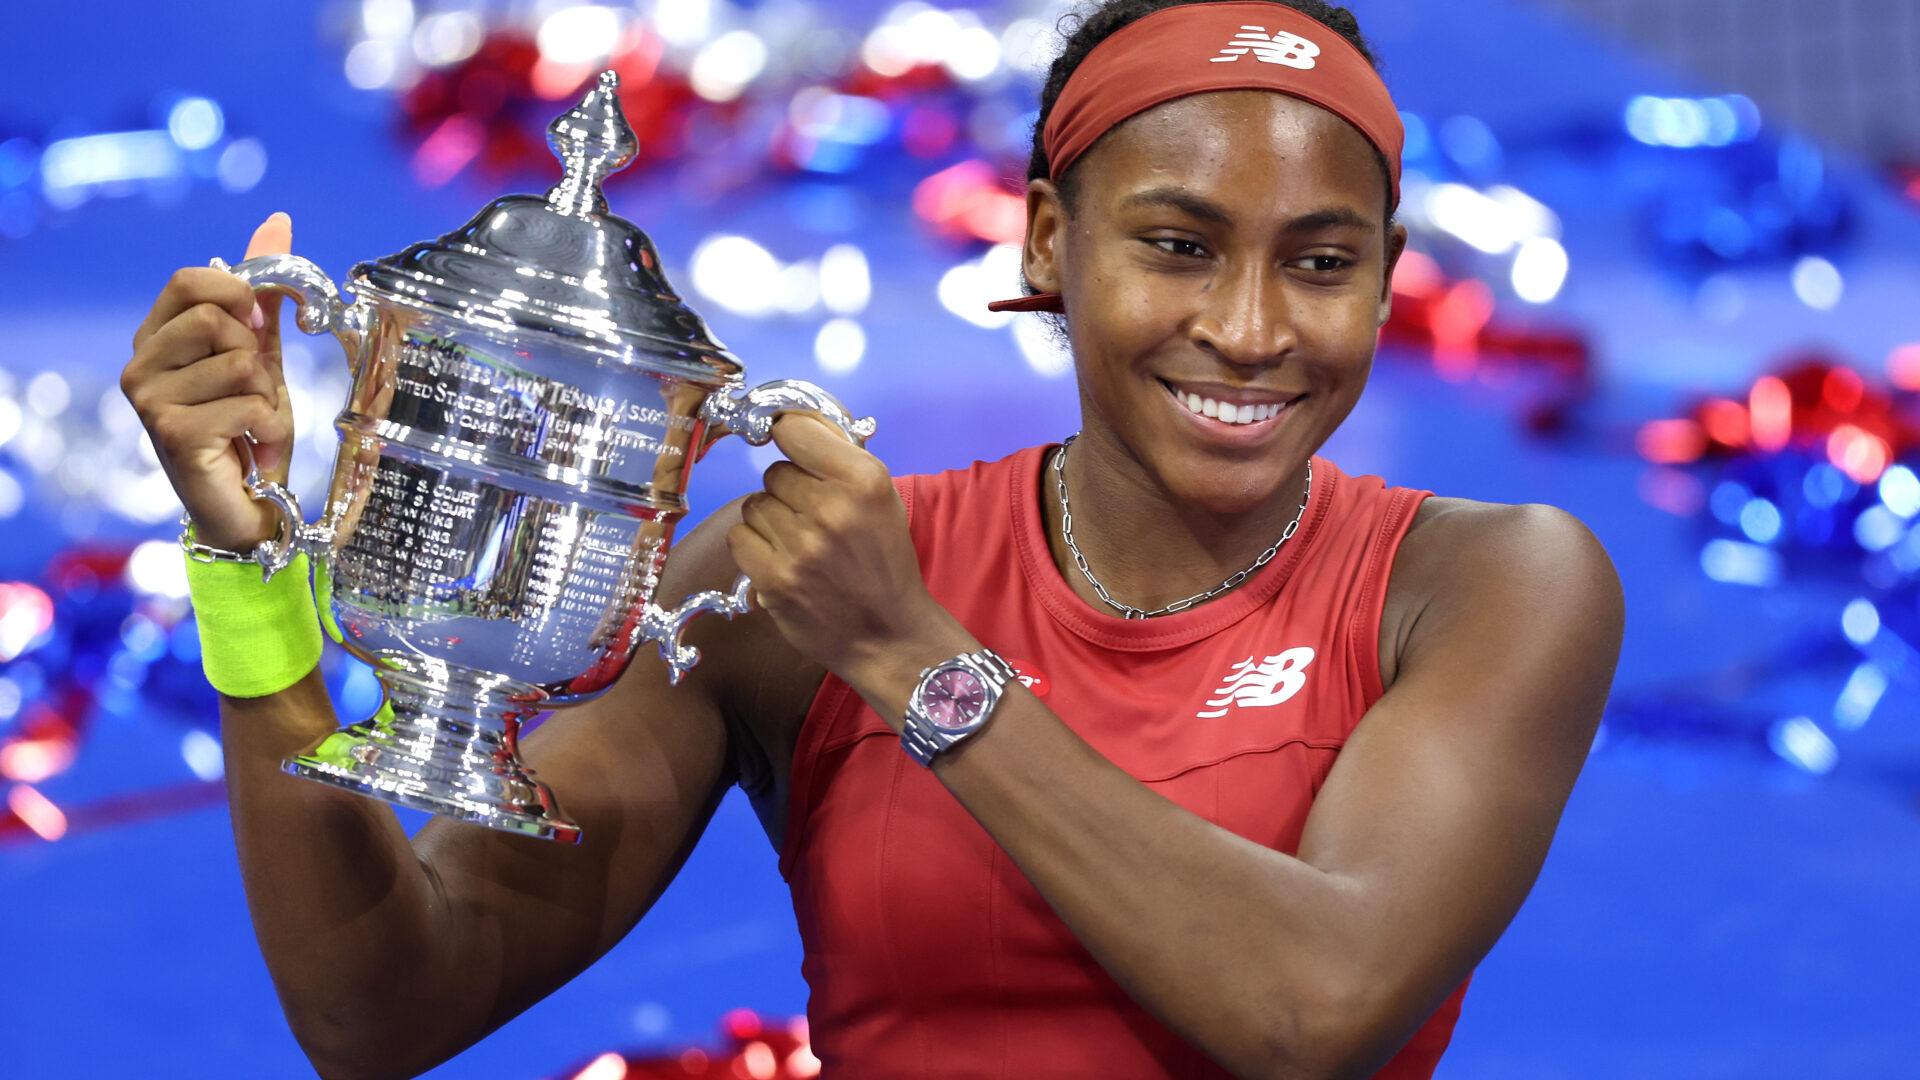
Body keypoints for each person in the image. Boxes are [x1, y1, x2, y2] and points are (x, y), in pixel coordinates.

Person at [121, 1, 1623, 1077]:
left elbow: (1316, 1014)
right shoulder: (790, 596)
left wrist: (916, 659)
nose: (1247, 329)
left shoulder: (1493, 584)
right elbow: (381, 1011)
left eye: (1320, 263)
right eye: (1177, 244)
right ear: (1047, 243)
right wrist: (251, 569)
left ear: (1386, 281)